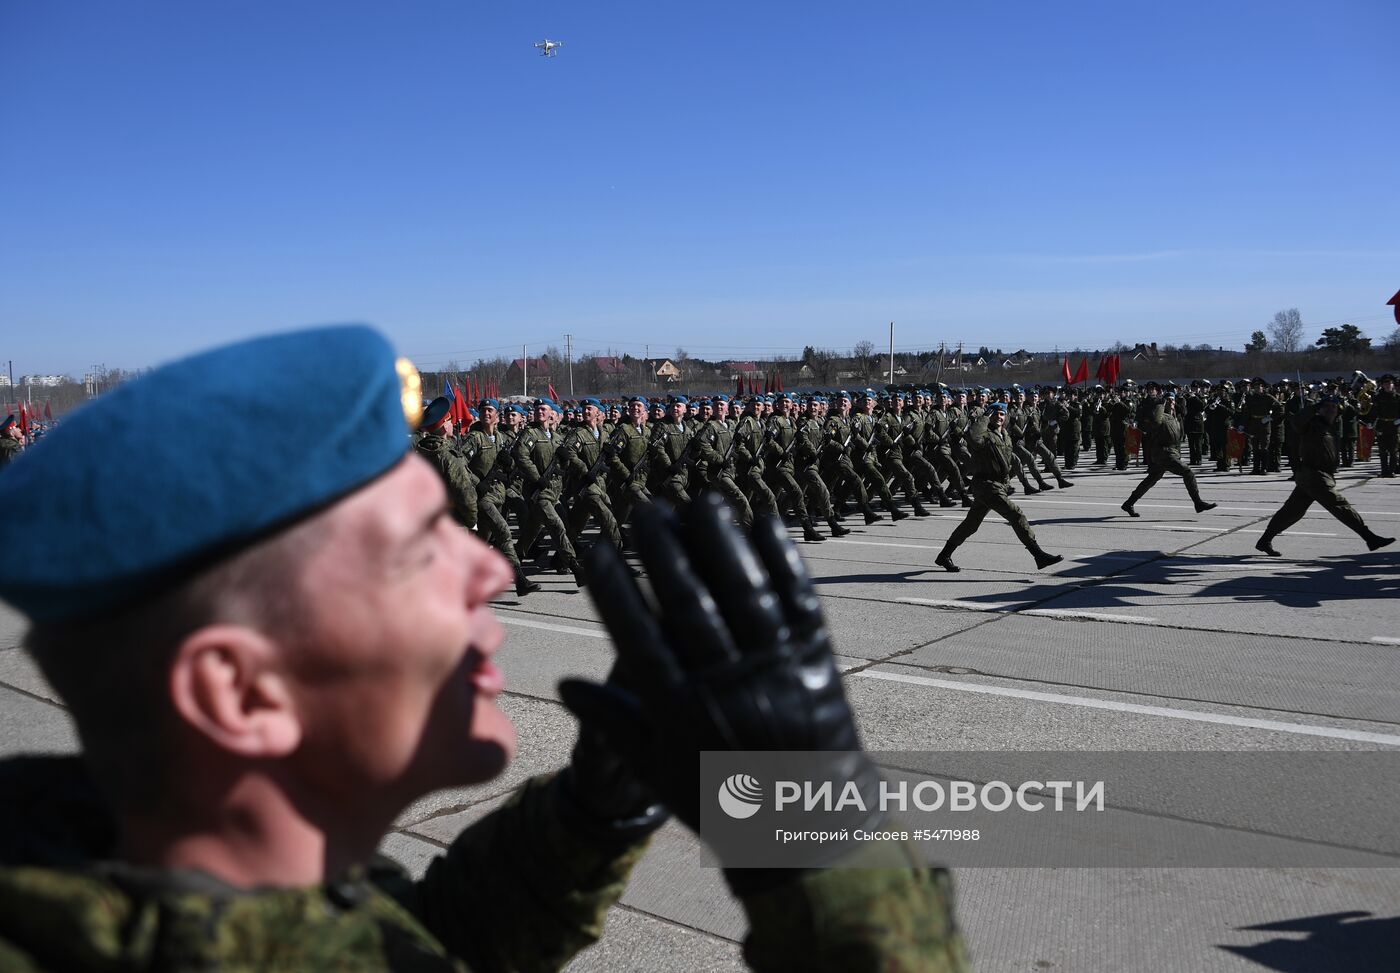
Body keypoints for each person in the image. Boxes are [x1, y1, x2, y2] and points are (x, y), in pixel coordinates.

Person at [0, 326, 967, 971]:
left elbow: (419, 945)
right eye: (420, 546)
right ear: (240, 689)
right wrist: (822, 833)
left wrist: (596, 810)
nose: (494, 571)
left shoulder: (242, 899)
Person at [1255, 394, 1395, 557]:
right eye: (1326, 407)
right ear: (1319, 410)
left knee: (1292, 511)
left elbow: (1355, 413)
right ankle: (1370, 537)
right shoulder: (1311, 424)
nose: (1330, 410)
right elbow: (1296, 421)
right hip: (1314, 475)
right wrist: (1313, 408)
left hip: (1319, 475)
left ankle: (1265, 540)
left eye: (1334, 408)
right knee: (1340, 505)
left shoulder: (1331, 427)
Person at [935, 403, 1063, 573]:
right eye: (995, 414)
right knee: (1016, 514)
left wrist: (1007, 483)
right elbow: (973, 437)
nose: (999, 417)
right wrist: (984, 417)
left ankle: (944, 555)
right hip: (986, 485)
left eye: (1002, 414)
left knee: (970, 525)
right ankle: (1038, 555)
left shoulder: (1005, 436)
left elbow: (1006, 462)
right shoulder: (984, 434)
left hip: (996, 485)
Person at [1120, 392, 1217, 518]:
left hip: (1171, 453)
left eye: (1173, 400)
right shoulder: (1160, 416)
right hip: (1162, 453)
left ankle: (1129, 503)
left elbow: (1177, 438)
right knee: (1187, 472)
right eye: (1168, 400)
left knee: (1151, 479)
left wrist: (1178, 455)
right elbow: (1155, 422)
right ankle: (1198, 503)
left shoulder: (1175, 418)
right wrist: (1160, 405)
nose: (1171, 402)